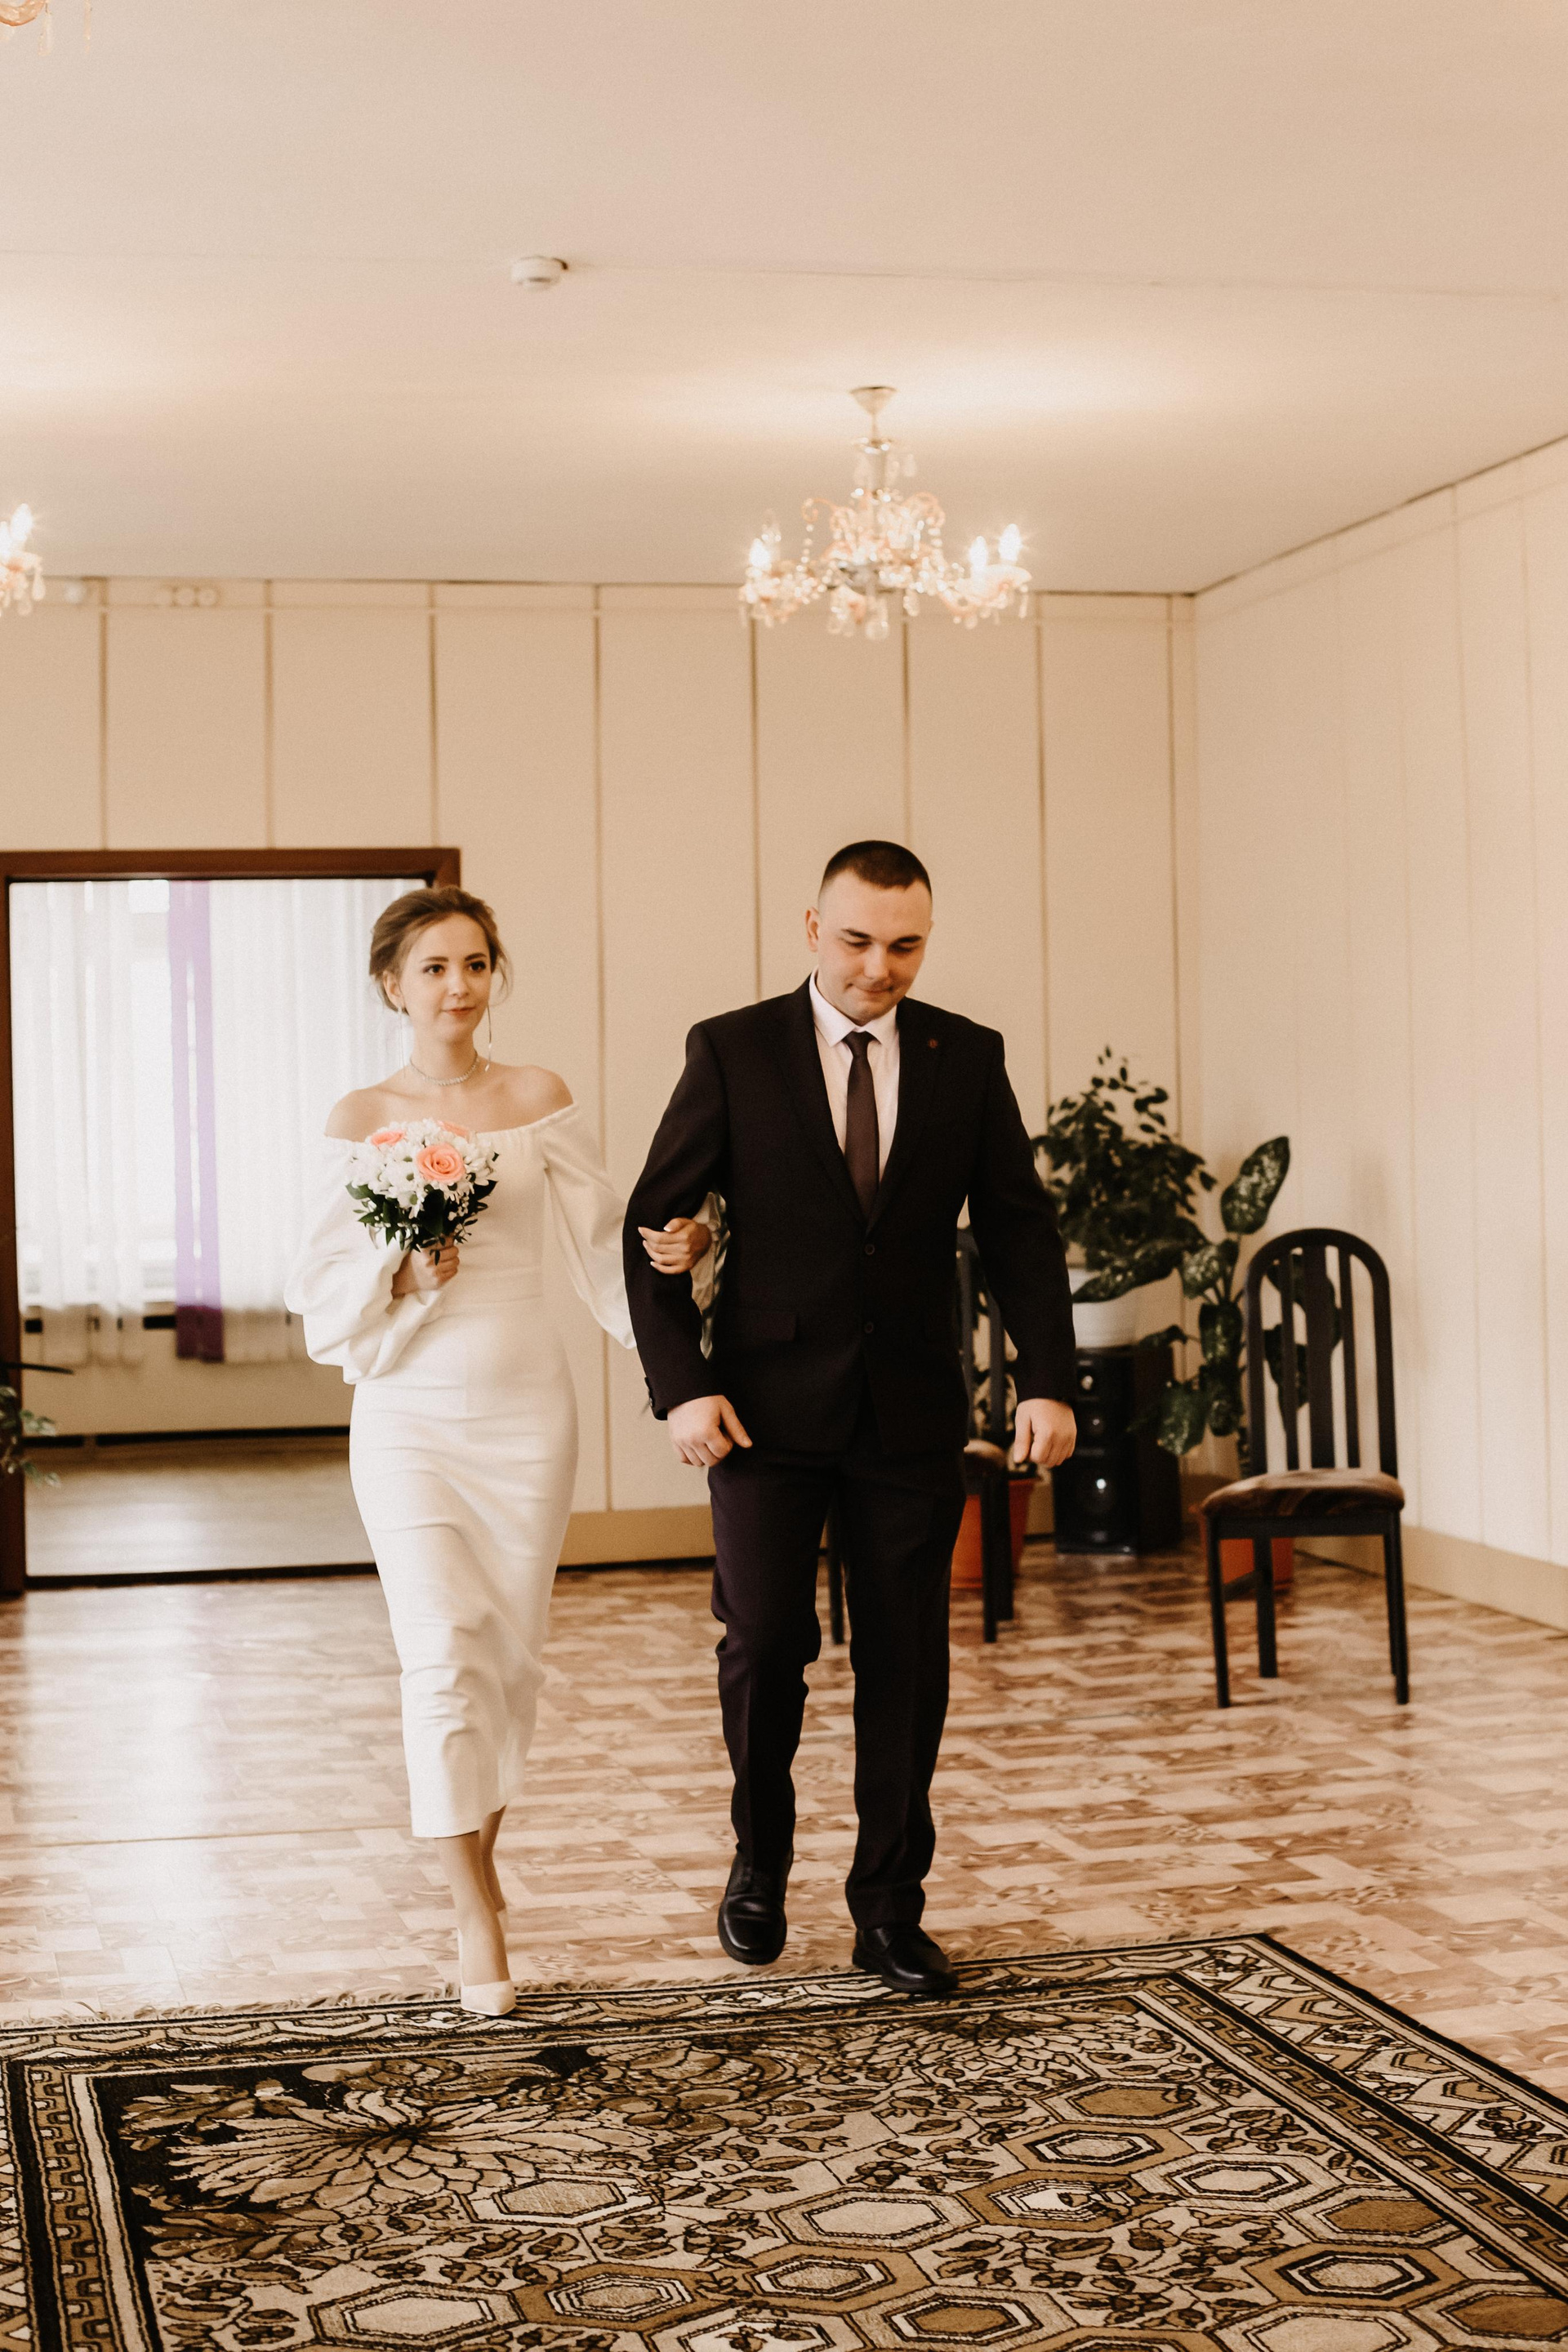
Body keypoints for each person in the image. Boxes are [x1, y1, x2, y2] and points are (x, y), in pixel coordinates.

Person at [623, 840, 1077, 1998]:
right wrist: (682, 1383)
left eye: (906, 946)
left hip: (912, 1413)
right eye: (859, 941)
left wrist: (1048, 1378)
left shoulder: (968, 1055)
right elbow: (654, 1226)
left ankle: (889, 1909)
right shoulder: (732, 1050)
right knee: (763, 1645)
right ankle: (759, 1863)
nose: (881, 968)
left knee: (906, 1663)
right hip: (762, 1415)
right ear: (811, 929)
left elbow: (1018, 1229)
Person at [286, 884, 709, 2017]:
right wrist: (401, 1271)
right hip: (408, 1414)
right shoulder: (359, 1117)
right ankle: (472, 1907)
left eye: (475, 964)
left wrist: (684, 1272)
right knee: (441, 1652)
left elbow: (606, 1249)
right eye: (434, 968)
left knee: (506, 1661)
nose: (458, 986)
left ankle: (481, 1863)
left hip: (527, 1412)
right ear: (392, 985)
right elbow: (318, 1290)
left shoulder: (538, 1098)